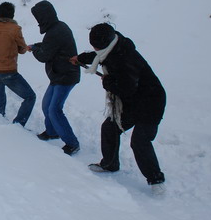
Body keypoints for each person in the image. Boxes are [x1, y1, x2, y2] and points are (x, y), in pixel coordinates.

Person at [71, 23, 166, 193]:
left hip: (151, 102)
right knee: (109, 127)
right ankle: (110, 164)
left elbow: (126, 88)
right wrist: (81, 58)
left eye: (96, 45)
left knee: (139, 141)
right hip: (133, 102)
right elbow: (99, 56)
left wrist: (107, 81)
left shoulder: (125, 58)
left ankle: (156, 179)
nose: (94, 47)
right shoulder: (114, 46)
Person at [29, 0, 81, 156]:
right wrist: (35, 46)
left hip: (66, 75)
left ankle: (72, 143)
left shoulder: (56, 31)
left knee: (54, 109)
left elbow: (44, 55)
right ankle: (52, 132)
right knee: (46, 105)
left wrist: (34, 50)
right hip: (58, 74)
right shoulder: (56, 28)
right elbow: (48, 45)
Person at [0, 2, 36, 126]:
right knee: (30, 97)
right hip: (8, 70)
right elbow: (22, 49)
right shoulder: (15, 29)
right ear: (12, 14)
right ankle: (18, 124)